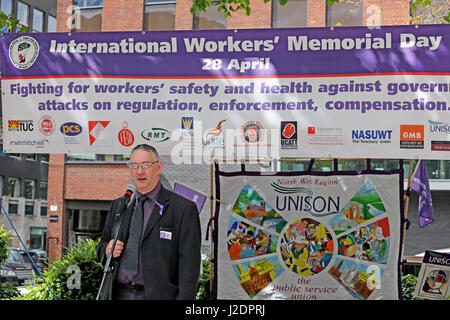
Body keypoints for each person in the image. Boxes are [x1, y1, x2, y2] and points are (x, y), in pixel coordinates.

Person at [96, 144, 201, 300]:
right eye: (134, 165)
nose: (139, 171)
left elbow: (189, 269)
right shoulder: (119, 205)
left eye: (145, 165)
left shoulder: (183, 209)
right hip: (117, 294)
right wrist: (106, 249)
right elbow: (101, 245)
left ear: (158, 167)